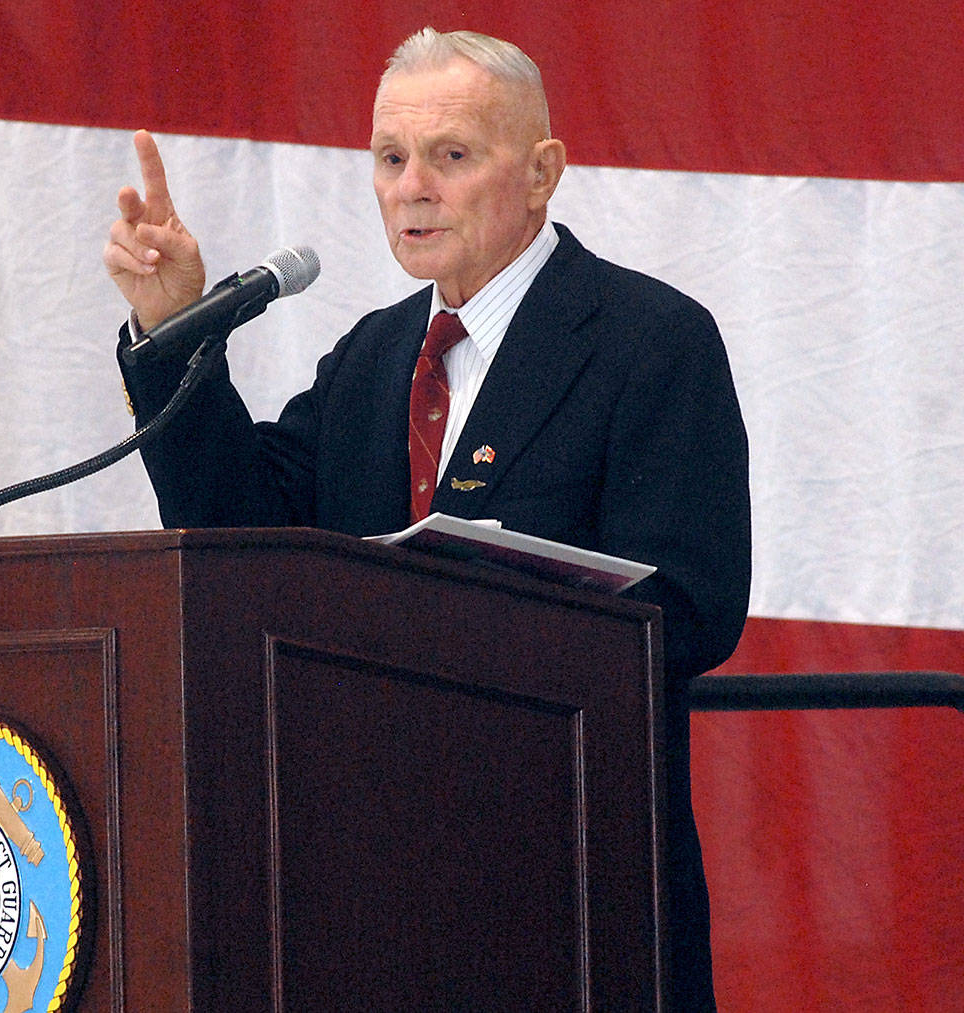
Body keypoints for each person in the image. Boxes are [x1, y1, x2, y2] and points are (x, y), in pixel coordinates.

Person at [105, 27, 750, 1011]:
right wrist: (169, 334)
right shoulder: (372, 357)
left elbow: (692, 606)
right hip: (359, 883)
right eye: (390, 158)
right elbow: (240, 535)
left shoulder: (648, 342)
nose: (412, 186)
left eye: (450, 156)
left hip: (566, 881)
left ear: (541, 174)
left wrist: (464, 595)